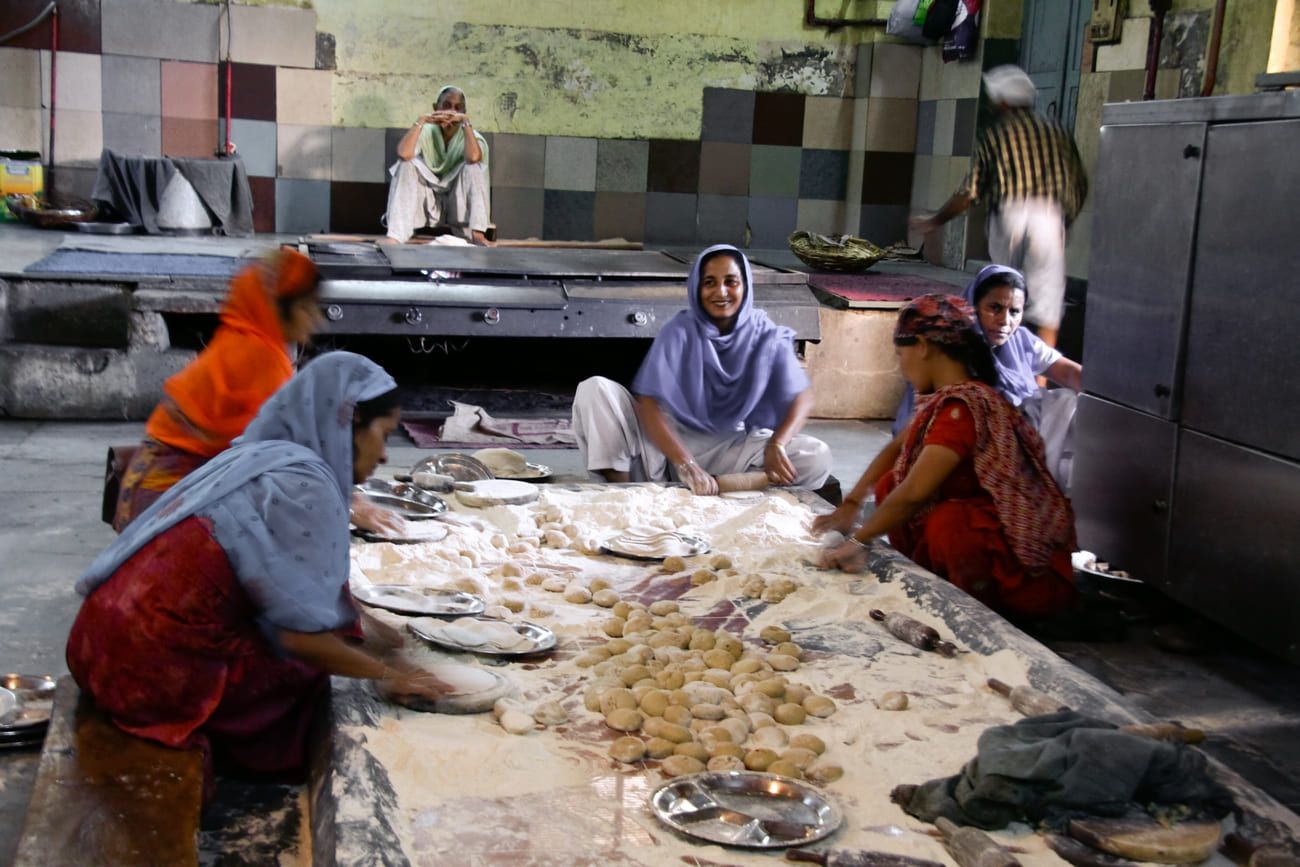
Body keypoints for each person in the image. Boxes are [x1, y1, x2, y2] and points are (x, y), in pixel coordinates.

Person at [68, 352, 448, 786]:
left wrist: (383, 637)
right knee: (305, 676)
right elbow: (298, 636)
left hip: (98, 642)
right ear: (348, 422)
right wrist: (389, 674)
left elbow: (292, 591)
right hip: (149, 676)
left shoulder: (260, 453)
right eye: (382, 435)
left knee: (342, 637)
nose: (384, 456)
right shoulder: (304, 484)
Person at [816, 294, 1077, 622]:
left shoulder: (964, 407)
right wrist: (853, 502)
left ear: (923, 346)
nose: (902, 368)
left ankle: (980, 611)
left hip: (1024, 575)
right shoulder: (945, 402)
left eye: (901, 355)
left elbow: (915, 493)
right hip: (987, 549)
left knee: (948, 522)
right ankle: (939, 578)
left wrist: (858, 540)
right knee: (890, 484)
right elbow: (897, 449)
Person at [571, 244, 831, 494]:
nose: (721, 292)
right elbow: (649, 406)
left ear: (745, 286)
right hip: (664, 447)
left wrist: (778, 444)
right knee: (594, 389)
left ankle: (721, 485)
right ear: (697, 288)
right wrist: (686, 464)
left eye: (731, 281)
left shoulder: (766, 336)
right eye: (709, 282)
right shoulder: (679, 332)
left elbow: (802, 397)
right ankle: (626, 492)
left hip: (731, 446)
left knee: (816, 456)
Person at [112, 249, 323, 531]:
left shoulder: (243, 341)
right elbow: (269, 458)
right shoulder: (260, 359)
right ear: (278, 308)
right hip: (165, 497)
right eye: (306, 307)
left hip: (154, 485)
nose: (315, 319)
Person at [911, 65, 1087, 350]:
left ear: (1003, 102)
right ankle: (1040, 382)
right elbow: (1078, 183)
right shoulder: (1057, 134)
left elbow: (970, 191)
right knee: (1047, 305)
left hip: (1010, 215)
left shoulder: (997, 136)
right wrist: (1063, 220)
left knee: (1001, 293)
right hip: (1048, 218)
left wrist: (936, 219)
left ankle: (1000, 365)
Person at [894, 264, 1082, 487]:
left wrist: (1115, 401)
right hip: (960, 445)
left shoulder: (1020, 340)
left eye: (1014, 312)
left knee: (1069, 404)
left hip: (1010, 444)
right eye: (994, 308)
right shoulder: (953, 348)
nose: (1005, 321)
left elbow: (1070, 374)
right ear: (974, 306)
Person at [381, 85, 492, 246]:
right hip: (428, 204)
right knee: (407, 164)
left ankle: (478, 234)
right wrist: (421, 120)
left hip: (457, 206)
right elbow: (404, 153)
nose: (451, 112)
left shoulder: (472, 137)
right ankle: (396, 234)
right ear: (435, 108)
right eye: (446, 106)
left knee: (472, 167)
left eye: (458, 108)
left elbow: (473, 157)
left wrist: (466, 123)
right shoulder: (425, 130)